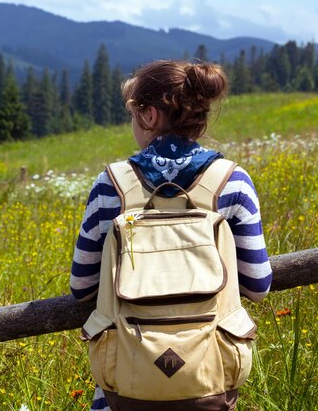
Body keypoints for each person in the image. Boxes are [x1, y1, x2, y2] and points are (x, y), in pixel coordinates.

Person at [70, 60, 273, 411]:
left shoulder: (112, 186)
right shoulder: (232, 181)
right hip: (208, 387)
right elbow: (257, 284)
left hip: (124, 394)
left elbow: (82, 286)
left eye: (133, 114)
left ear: (149, 116)